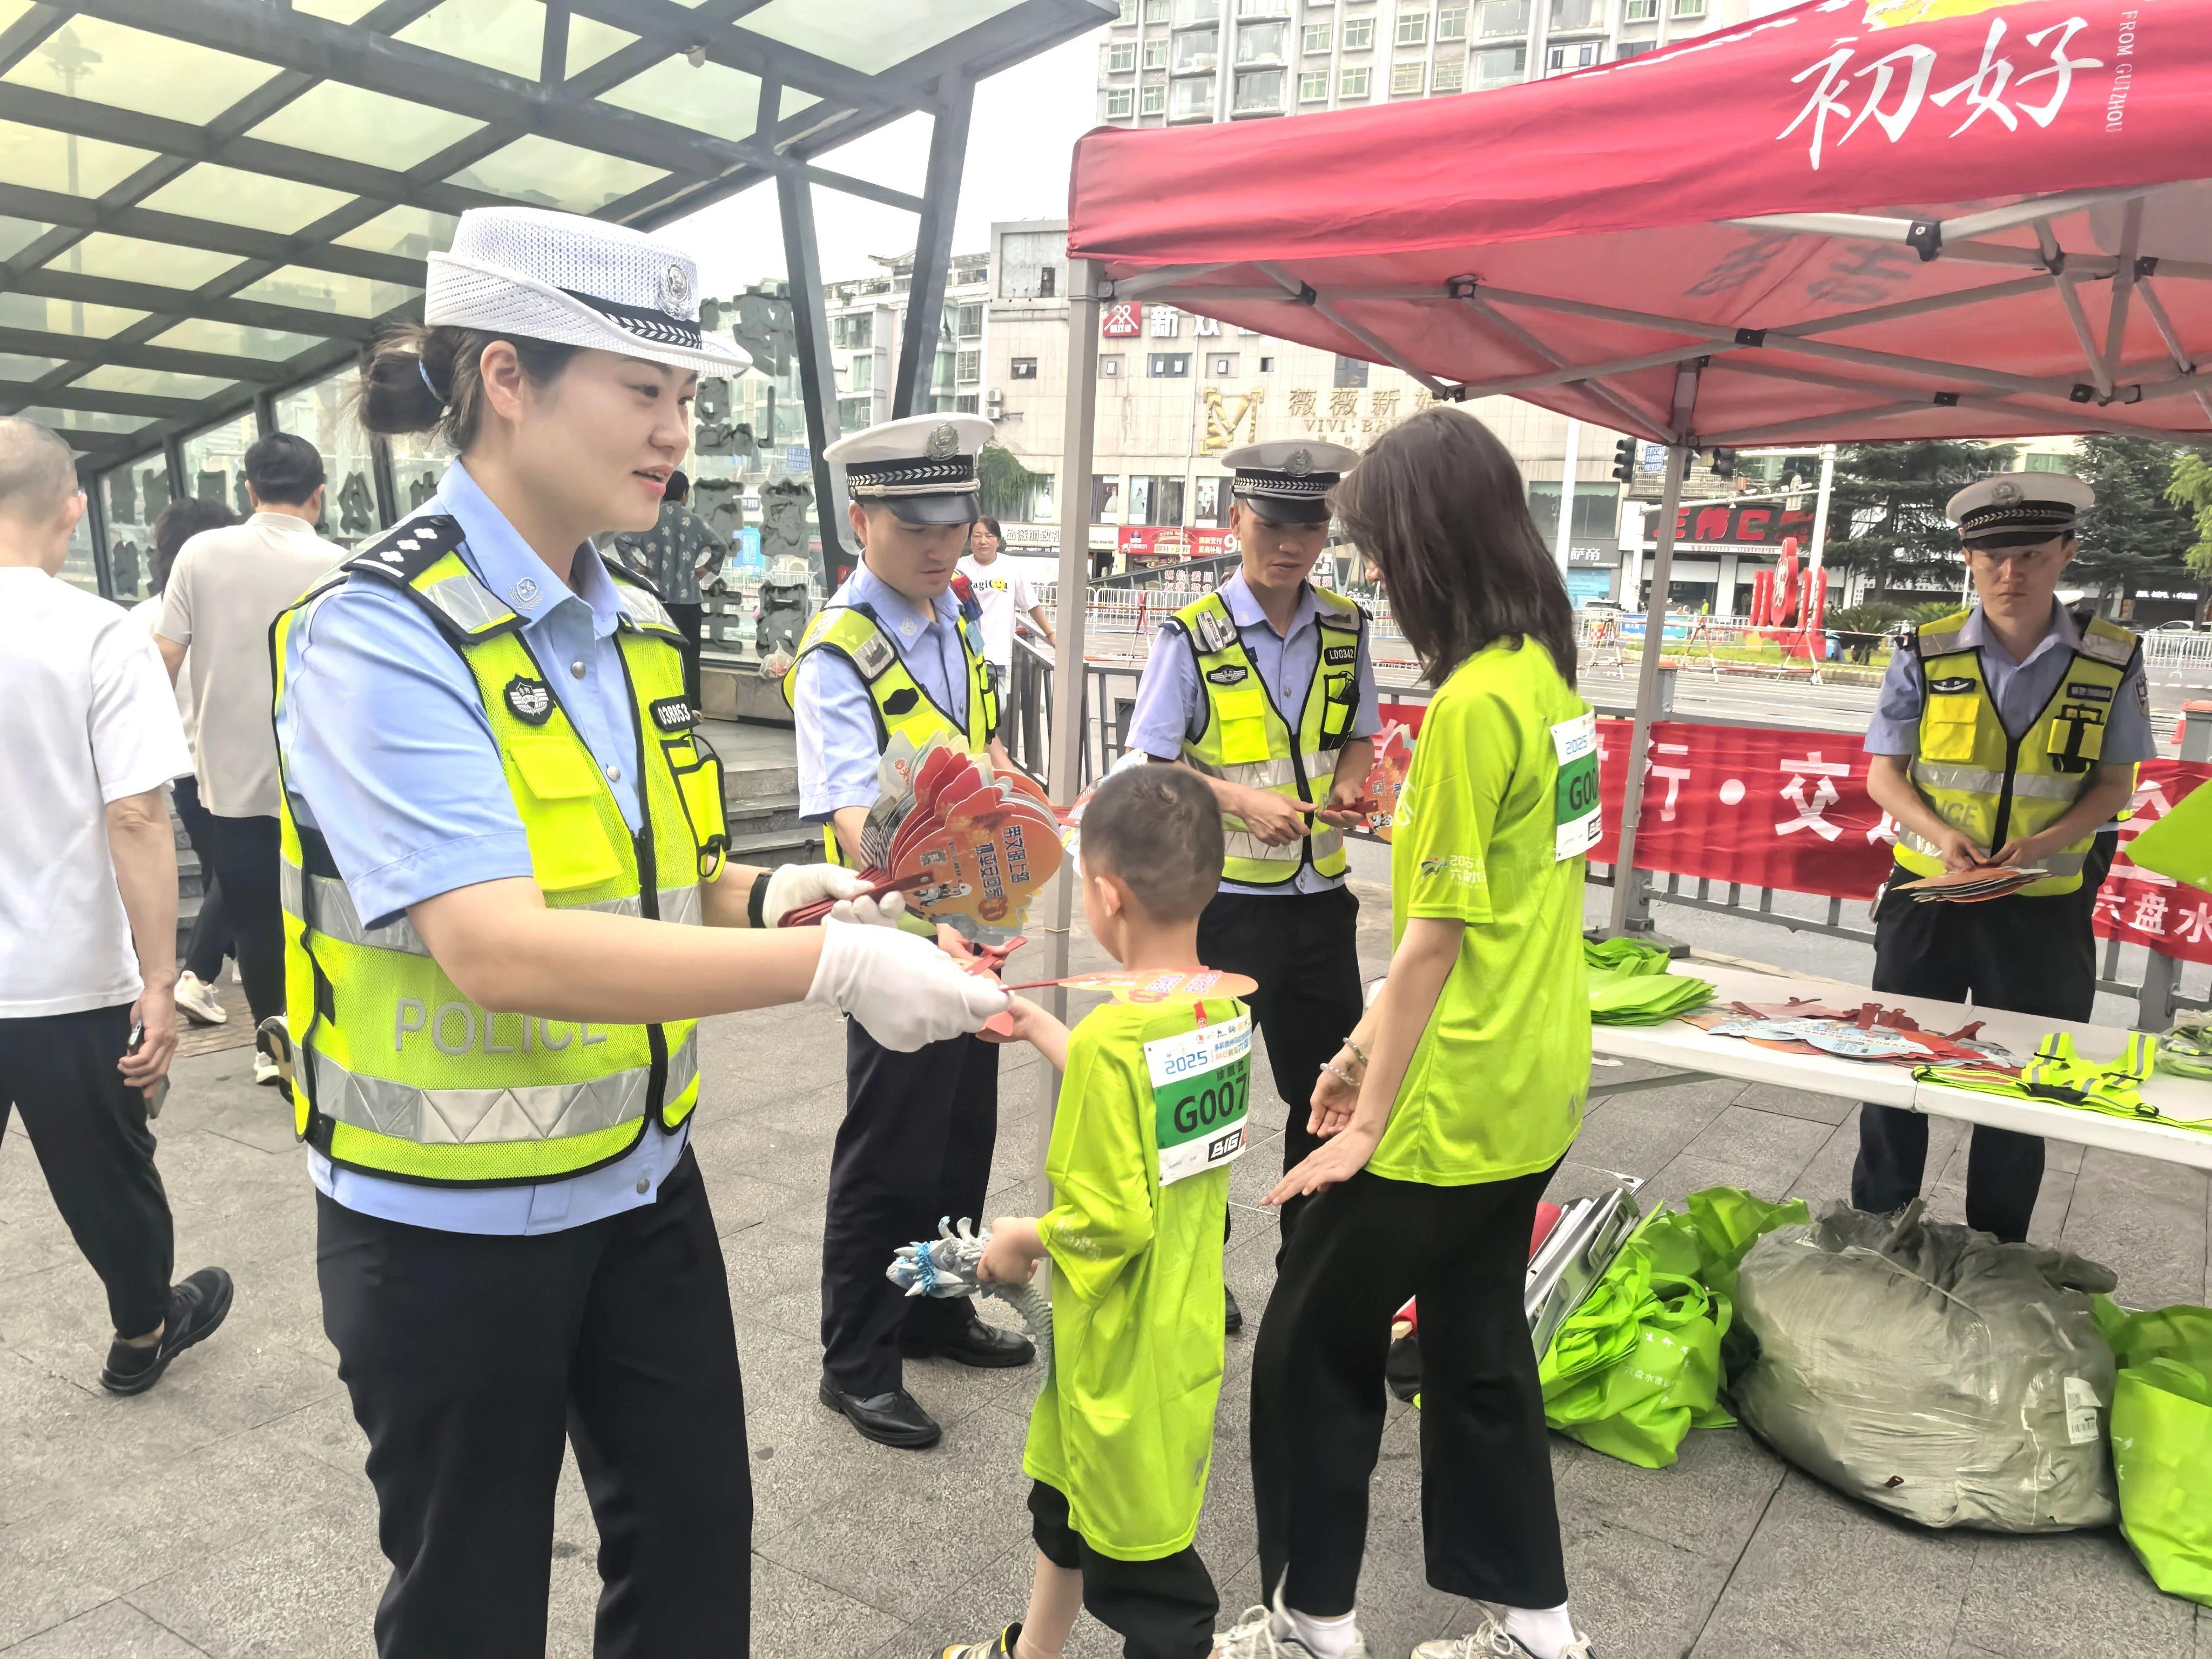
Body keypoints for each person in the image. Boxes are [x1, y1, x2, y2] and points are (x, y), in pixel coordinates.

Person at [279, 206, 1008, 1658]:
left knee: (692, 1557)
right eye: (643, 390)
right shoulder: (381, 630)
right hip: (445, 1220)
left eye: (686, 394)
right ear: (507, 379)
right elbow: (499, 947)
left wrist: (782, 896)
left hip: (638, 1177)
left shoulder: (640, 629)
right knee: (471, 1603)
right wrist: (833, 965)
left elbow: (671, 874)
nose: (677, 429)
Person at [1232, 408, 1593, 1659]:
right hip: (1536, 1076)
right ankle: (1536, 1622)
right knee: (1479, 1344)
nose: (1373, 570)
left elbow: (1433, 943)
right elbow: (1499, 916)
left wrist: (1366, 1115)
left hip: (1453, 1097)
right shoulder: (1548, 682)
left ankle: (1308, 1615)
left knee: (1307, 1336)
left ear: (1433, 542)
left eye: (1379, 545)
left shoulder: (1470, 710)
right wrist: (1351, 1053)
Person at [938, 766, 1239, 1659]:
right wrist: (1037, 1025)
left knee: (1154, 1584)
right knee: (1064, 1505)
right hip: (1176, 1321)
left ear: (1107, 897)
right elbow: (1140, 1109)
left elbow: (1114, 1219)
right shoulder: (1218, 1004)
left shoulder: (1115, 1034)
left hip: (1122, 1343)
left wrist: (1021, 1241)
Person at [784, 412, 1037, 1451]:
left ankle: (935, 1310)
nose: (940, 545)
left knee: (961, 1135)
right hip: (895, 937)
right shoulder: (839, 650)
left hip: (973, 925)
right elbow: (853, 814)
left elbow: (977, 751)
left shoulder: (952, 614)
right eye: (915, 525)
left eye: (954, 522)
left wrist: (1016, 819)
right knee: (889, 1151)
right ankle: (856, 1362)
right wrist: (944, 906)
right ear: (861, 521)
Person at [0, 418, 233, 1395]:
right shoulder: (97, 632)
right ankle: (142, 1335)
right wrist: (160, 980)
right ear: (73, 510)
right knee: (107, 1171)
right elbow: (135, 815)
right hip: (65, 976)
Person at [1123, 440, 1378, 1330]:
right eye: (1272, 526)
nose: (1291, 545)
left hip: (1322, 904)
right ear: (1236, 521)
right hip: (1226, 908)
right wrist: (1240, 801)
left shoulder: (1346, 626)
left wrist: (1351, 789)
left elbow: (1358, 736)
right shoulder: (1191, 634)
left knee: (1328, 1093)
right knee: (1205, 1102)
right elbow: (1151, 764)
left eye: (1309, 527)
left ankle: (1311, 1261)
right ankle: (1197, 1268)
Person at [1857, 472, 2149, 1245]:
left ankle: (1997, 1248)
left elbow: (2114, 786)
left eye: (2030, 555)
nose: (2009, 573)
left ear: (2066, 552)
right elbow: (1884, 775)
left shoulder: (2111, 659)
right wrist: (1938, 833)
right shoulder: (1926, 651)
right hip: (1930, 895)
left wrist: (2045, 844)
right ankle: (1879, 1229)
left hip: (2042, 908)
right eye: (1991, 557)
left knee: (2023, 1083)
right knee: (1894, 1066)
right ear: (1968, 558)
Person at [154, 433, 345, 1082]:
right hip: (322, 778)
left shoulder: (201, 554)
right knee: (323, 915)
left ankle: (271, 1051)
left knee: (255, 916)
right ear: (319, 495)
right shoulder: (340, 564)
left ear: (249, 491)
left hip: (228, 780)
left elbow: (164, 658)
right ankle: (326, 1039)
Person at [132, 495, 239, 1027]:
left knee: (225, 870)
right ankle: (197, 974)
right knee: (237, 872)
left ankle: (232, 963)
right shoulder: (224, 606)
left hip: (180, 771)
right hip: (232, 764)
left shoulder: (140, 618)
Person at [612, 464, 722, 708]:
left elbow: (622, 540)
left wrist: (638, 568)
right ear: (685, 493)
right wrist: (705, 569)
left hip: (658, 602)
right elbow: (720, 545)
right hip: (689, 601)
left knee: (658, 654)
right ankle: (692, 706)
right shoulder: (694, 522)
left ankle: (659, 703)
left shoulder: (650, 520)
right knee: (689, 655)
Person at [958, 514, 1057, 702]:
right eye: (977, 536)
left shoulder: (1010, 567)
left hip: (996, 653)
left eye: (989, 536)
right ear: (970, 540)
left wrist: (1050, 634)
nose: (982, 541)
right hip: (965, 652)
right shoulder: (960, 567)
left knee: (998, 706)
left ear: (998, 540)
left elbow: (1031, 604)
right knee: (970, 707)